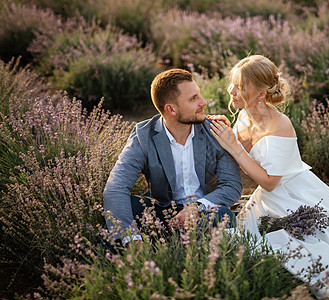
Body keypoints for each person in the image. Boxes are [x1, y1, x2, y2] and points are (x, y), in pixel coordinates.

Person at [210, 55, 329, 299]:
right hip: (264, 199)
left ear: (261, 93)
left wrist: (233, 146)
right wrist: (227, 136)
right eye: (232, 83)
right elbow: (243, 157)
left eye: (240, 86)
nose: (232, 91)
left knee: (317, 248)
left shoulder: (279, 125)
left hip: (294, 195)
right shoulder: (243, 115)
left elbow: (270, 181)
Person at [103, 68, 242, 246]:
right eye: (193, 98)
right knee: (117, 218)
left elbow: (232, 186)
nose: (203, 102)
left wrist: (197, 207)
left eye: (199, 95)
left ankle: (198, 257)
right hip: (163, 211)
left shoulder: (215, 131)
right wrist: (131, 237)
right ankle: (134, 266)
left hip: (205, 210)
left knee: (223, 216)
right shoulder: (143, 136)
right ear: (171, 109)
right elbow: (115, 188)